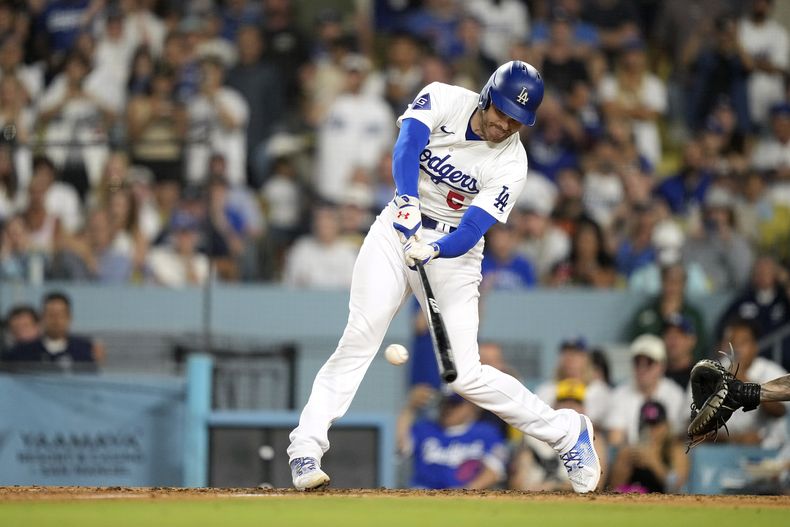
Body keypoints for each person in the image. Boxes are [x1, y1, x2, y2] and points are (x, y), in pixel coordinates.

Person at [287, 61, 601, 494]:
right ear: (488, 94)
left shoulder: (513, 164)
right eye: (502, 111)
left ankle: (567, 433)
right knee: (360, 334)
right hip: (396, 228)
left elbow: (472, 229)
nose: (505, 124)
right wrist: (406, 202)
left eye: (516, 120)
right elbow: (408, 144)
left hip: (454, 251)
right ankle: (305, 447)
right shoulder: (446, 97)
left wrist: (435, 248)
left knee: (465, 375)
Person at [397, 387, 508, 489]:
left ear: (472, 406)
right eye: (444, 402)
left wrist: (463, 493)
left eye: (455, 403)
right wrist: (410, 407)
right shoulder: (425, 429)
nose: (448, 408)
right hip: (422, 493)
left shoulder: (486, 433)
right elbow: (400, 444)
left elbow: (494, 471)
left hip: (465, 498)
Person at [510, 379, 609, 491]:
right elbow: (517, 482)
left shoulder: (591, 438)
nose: (570, 407)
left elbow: (595, 484)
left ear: (584, 408)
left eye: (576, 403)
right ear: (554, 406)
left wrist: (555, 487)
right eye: (564, 401)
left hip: (574, 498)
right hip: (534, 497)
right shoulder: (533, 435)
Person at [606, 335, 687, 447]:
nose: (642, 368)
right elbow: (615, 440)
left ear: (662, 366)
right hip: (631, 456)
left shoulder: (675, 395)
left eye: (649, 362)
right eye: (637, 362)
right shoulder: (619, 394)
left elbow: (677, 438)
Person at [1, 291, 99, 372]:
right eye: (51, 315)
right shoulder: (22, 352)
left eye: (60, 315)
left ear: (69, 317)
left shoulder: (84, 350)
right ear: (42, 317)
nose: (56, 320)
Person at [609, 400, 689, 494]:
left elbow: (677, 486)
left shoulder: (675, 450)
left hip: (664, 504)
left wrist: (653, 463)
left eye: (656, 425)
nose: (652, 431)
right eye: (647, 425)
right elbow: (615, 489)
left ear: (666, 425)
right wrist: (625, 463)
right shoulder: (632, 452)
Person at [662, 313, 697, 389]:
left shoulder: (702, 376)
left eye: (679, 334)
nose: (672, 340)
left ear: (692, 340)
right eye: (668, 334)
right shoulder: (656, 376)